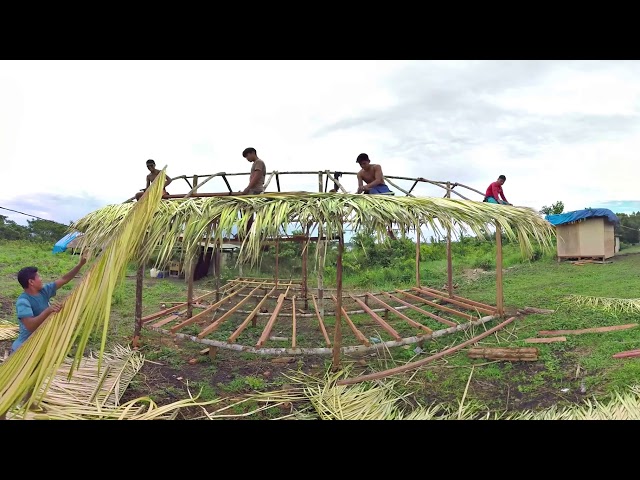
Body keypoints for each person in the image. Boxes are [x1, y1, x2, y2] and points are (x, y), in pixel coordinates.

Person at [11, 253, 88, 354]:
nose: (41, 279)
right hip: (25, 347)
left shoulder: (43, 291)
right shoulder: (23, 302)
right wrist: (48, 310)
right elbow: (31, 326)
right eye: (38, 276)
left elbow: (64, 279)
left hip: (40, 343)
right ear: (31, 282)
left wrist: (80, 265)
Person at [355, 153, 396, 239]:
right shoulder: (360, 174)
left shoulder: (376, 167)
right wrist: (358, 193)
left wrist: (365, 187)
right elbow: (360, 187)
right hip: (370, 191)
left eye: (364, 163)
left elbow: (378, 180)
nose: (363, 166)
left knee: (390, 205)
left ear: (369, 161)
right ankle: (378, 221)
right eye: (360, 164)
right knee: (372, 196)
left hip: (382, 188)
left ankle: (390, 230)